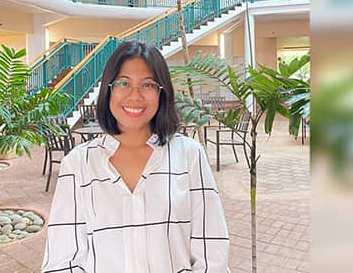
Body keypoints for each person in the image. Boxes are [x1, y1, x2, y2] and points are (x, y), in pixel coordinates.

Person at [41, 41, 229, 273]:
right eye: (123, 83)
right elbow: (62, 261)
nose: (135, 95)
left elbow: (212, 255)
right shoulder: (79, 164)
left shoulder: (189, 155)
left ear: (162, 92)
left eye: (148, 84)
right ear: (108, 89)